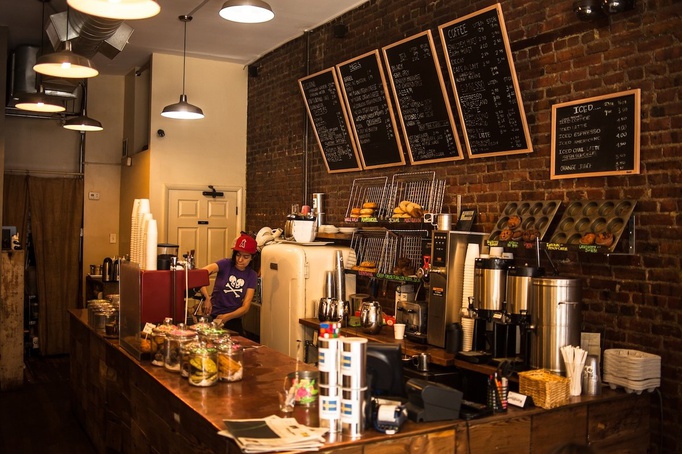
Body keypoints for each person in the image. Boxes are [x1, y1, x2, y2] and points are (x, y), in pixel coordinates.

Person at [200, 233, 258, 335]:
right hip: (213, 315)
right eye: (238, 255)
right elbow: (201, 274)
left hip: (233, 319)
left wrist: (227, 317)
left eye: (246, 257)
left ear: (252, 257)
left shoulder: (252, 275)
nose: (240, 260)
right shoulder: (225, 264)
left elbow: (245, 307)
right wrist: (206, 298)